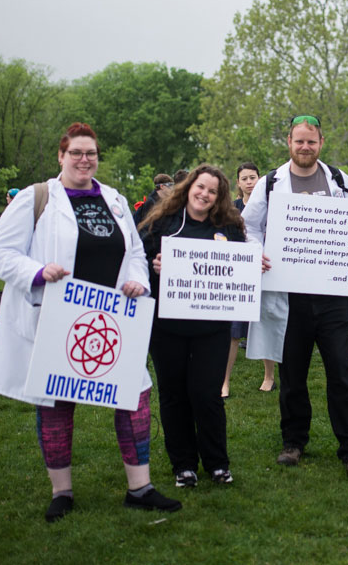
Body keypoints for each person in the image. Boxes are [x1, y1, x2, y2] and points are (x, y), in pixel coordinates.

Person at [0, 122, 180, 522]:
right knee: (57, 401)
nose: (84, 159)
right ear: (61, 156)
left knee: (134, 398)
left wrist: (137, 282)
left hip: (111, 318)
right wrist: (38, 273)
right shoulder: (36, 199)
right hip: (58, 317)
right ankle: (62, 492)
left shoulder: (115, 200)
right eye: (76, 152)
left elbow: (136, 254)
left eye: (90, 153)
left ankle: (139, 487)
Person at [242, 115, 348, 481]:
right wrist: (257, 250)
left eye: (311, 142)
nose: (305, 148)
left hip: (332, 295)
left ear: (321, 143)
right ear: (289, 142)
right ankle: (293, 442)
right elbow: (248, 227)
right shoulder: (270, 183)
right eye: (299, 141)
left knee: (342, 373)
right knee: (292, 373)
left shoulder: (341, 181)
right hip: (289, 296)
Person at [139, 164, 247, 487]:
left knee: (206, 394)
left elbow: (241, 265)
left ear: (219, 197)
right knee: (173, 395)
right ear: (189, 187)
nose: (204, 194)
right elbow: (135, 260)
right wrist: (153, 264)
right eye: (200, 187)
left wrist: (256, 264)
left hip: (211, 328)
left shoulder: (229, 227)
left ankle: (217, 463)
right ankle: (183, 464)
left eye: (212, 191)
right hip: (166, 326)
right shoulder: (161, 223)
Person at [223, 162, 276, 394]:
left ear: (259, 179)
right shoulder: (231, 209)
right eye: (244, 178)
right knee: (234, 331)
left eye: (252, 177)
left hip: (267, 271)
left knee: (267, 322)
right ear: (238, 182)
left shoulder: (272, 206)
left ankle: (269, 376)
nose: (249, 182)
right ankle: (224, 382)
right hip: (240, 276)